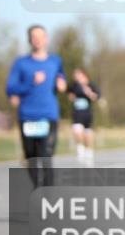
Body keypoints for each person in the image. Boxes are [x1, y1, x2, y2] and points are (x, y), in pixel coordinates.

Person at [6, 25, 66, 187]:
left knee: (45, 155)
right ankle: (37, 188)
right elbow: (10, 88)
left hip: (49, 114)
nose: (37, 39)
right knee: (31, 157)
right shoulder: (21, 63)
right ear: (30, 40)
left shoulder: (55, 61)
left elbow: (61, 76)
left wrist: (62, 83)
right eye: (34, 36)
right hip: (27, 116)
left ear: (46, 39)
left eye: (40, 36)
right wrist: (30, 82)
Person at [67, 68, 100, 164]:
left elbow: (96, 97)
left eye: (78, 75)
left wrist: (89, 92)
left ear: (84, 75)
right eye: (75, 75)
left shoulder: (91, 85)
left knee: (87, 135)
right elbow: (68, 92)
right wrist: (71, 96)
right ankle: (80, 149)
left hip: (88, 114)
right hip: (77, 113)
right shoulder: (74, 85)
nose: (76, 77)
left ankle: (89, 153)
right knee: (77, 131)